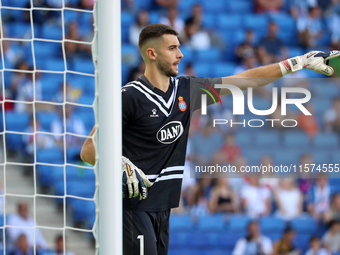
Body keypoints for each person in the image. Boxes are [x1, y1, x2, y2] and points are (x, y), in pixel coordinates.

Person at [80, 23, 340, 255]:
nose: (180, 54)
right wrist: (119, 161)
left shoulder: (187, 90)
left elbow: (244, 80)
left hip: (162, 207)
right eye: (172, 48)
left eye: (179, 47)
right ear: (152, 53)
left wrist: (297, 63)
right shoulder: (128, 97)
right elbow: (87, 153)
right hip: (133, 207)